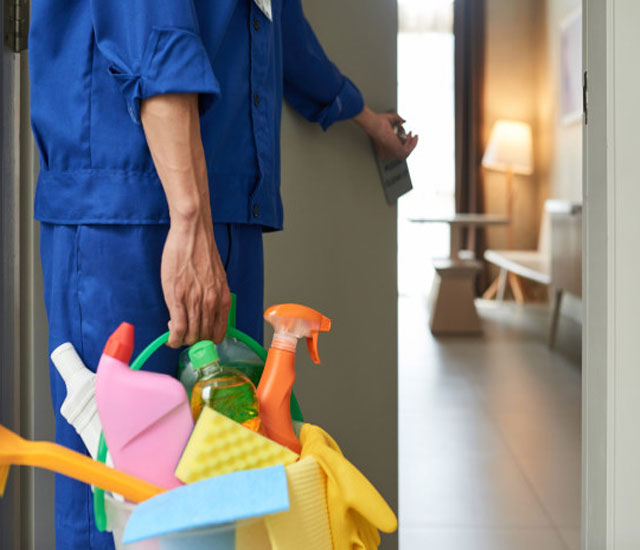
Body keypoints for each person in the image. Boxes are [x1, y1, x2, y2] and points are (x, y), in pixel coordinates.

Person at [30, 0, 418, 547]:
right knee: (118, 490)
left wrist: (362, 116)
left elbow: (279, 28)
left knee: (223, 474)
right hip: (131, 210)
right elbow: (153, 28)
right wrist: (188, 219)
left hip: (226, 210)